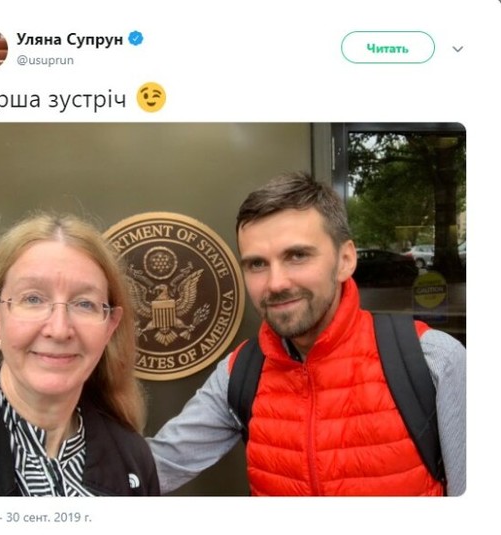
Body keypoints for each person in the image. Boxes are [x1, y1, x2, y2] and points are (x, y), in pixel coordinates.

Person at [148, 171, 466, 496]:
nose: (276, 283)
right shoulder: (240, 373)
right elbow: (153, 468)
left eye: (297, 256)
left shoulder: (431, 359)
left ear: (345, 260)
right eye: (257, 264)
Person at [0, 212, 160, 496]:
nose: (59, 330)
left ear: (109, 328)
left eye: (84, 304)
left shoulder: (134, 457)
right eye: (33, 299)